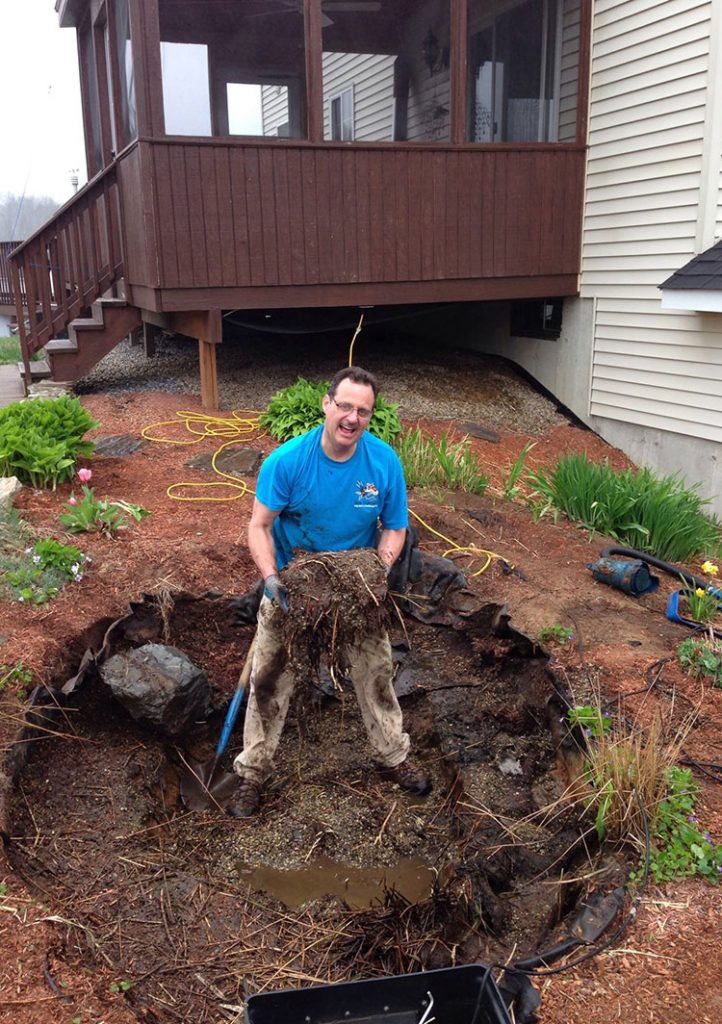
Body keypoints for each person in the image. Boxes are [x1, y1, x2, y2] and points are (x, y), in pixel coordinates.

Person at [228, 366, 432, 817]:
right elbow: (259, 526)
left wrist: (376, 571)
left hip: (353, 591)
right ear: (327, 404)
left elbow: (395, 528)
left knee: (376, 670)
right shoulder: (288, 462)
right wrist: (271, 579)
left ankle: (392, 755)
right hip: (293, 586)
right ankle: (252, 773)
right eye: (345, 406)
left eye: (363, 411)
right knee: (270, 677)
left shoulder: (383, 463)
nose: (352, 418)